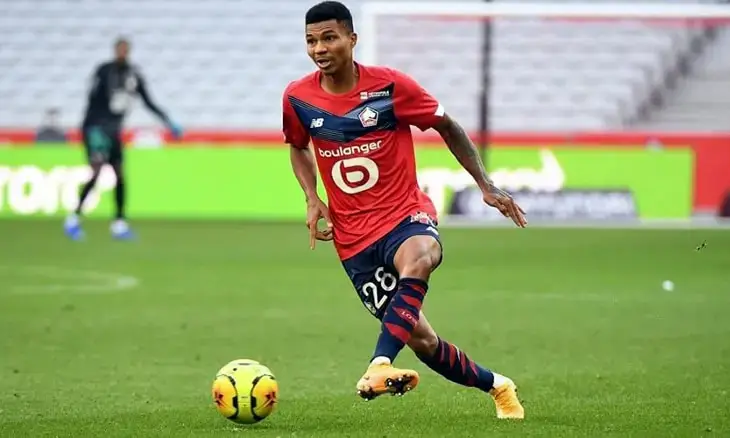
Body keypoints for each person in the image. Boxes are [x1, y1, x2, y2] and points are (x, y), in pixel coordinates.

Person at [283, 1, 527, 419]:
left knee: (420, 257)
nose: (319, 49)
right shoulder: (297, 97)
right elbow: (298, 145)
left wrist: (485, 185)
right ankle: (498, 386)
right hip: (353, 239)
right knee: (423, 341)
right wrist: (311, 196)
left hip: (404, 215)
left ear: (352, 40)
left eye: (329, 38)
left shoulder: (391, 87)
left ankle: (378, 364)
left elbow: (447, 125)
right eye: (311, 41)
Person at [64, 37, 182, 240]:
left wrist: (167, 121)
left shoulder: (133, 74)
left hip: (114, 131)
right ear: (115, 50)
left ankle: (119, 223)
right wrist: (92, 129)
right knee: (97, 171)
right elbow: (92, 100)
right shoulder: (104, 71)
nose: (122, 53)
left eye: (125, 50)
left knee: (119, 174)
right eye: (120, 50)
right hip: (96, 128)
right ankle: (73, 219)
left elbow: (148, 101)